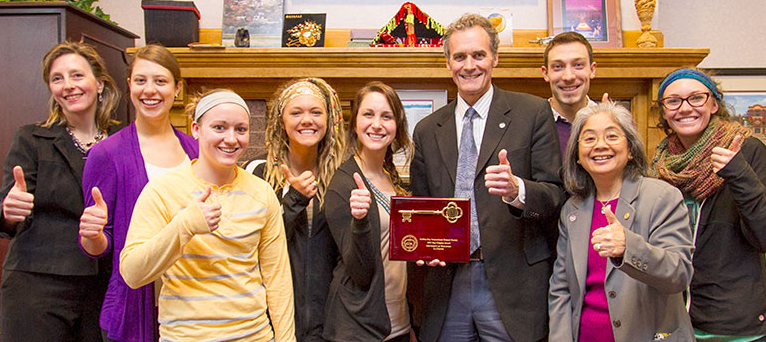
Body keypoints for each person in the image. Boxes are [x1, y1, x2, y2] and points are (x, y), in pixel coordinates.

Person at [410, 13, 566, 342]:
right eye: (460, 56)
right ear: (448, 63)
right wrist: (423, 242)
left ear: (495, 57)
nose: (470, 65)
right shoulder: (426, 130)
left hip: (513, 284)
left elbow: (556, 196)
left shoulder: (532, 113)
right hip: (446, 284)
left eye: (479, 55)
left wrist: (517, 191)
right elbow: (421, 205)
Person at [119, 89, 296, 342]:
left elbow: (277, 278)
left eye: (241, 129)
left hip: (254, 336)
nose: (231, 139)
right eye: (219, 127)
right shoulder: (162, 190)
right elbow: (132, 274)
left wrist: (287, 339)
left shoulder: (261, 191)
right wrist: (185, 226)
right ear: (196, 129)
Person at [78, 44, 199, 342]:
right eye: (141, 80)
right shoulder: (106, 154)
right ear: (130, 85)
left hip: (193, 304)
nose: (150, 90)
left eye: (160, 81)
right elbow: (97, 246)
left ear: (177, 88)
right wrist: (92, 234)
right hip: (134, 306)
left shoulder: (196, 150)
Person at [0, 40, 119, 341]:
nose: (68, 85)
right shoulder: (31, 139)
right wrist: (8, 210)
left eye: (77, 75)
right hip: (37, 284)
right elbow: (8, 211)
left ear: (100, 83)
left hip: (103, 285)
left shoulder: (122, 143)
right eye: (57, 78)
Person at [549, 102, 695, 341]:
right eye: (589, 139)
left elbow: (678, 274)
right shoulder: (573, 209)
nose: (600, 145)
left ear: (630, 150)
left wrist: (629, 247)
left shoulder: (661, 197)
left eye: (612, 136)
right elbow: (561, 289)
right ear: (577, 156)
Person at [652, 68, 766, 341]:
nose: (685, 108)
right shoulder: (663, 165)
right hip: (677, 321)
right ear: (664, 112)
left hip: (734, 325)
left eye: (696, 98)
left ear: (714, 104)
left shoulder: (747, 151)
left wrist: (738, 173)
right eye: (674, 101)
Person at [243, 77, 345, 342]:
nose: (307, 120)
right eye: (296, 112)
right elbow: (251, 246)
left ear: (329, 119)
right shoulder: (256, 172)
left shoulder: (342, 176)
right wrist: (294, 200)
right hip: (272, 320)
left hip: (330, 323)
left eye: (316, 112)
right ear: (281, 121)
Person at [323, 81, 414, 342]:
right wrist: (360, 220)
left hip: (397, 322)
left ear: (397, 127)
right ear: (355, 124)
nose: (377, 124)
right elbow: (360, 272)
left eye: (387, 116)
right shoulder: (344, 185)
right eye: (368, 114)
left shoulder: (391, 178)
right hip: (360, 328)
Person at [541, 31, 597, 157]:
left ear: (592, 70)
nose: (568, 77)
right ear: (546, 73)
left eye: (578, 65)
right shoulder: (531, 124)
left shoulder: (614, 123)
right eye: (558, 66)